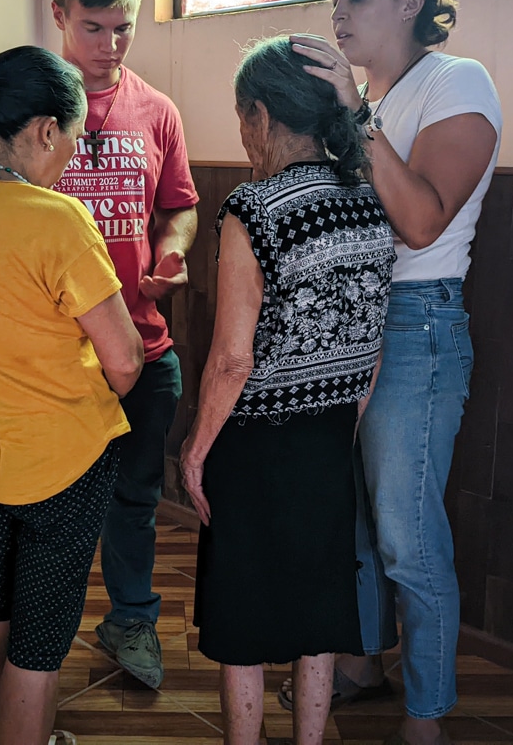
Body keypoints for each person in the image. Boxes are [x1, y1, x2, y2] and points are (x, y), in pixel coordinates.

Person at [289, 0, 503, 745]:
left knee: (409, 535)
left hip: (418, 322)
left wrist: (353, 115)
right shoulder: (368, 105)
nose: (339, 13)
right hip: (351, 320)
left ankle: (427, 719)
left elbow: (418, 222)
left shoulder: (458, 82)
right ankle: (360, 663)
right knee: (352, 520)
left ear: (412, 3)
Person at [0, 45, 145, 745]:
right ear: (44, 130)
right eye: (72, 142)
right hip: (61, 464)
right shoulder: (54, 219)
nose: (71, 160)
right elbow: (126, 361)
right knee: (39, 646)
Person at [179, 36, 395, 745]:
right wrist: (346, 429)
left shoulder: (256, 208)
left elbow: (232, 361)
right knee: (319, 615)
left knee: (242, 616)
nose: (244, 133)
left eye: (242, 117)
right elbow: (370, 347)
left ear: (263, 117)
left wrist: (196, 450)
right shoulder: (368, 200)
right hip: (330, 436)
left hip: (255, 443)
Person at [50, 0, 200, 689]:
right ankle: (34, 634)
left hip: (141, 345)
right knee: (53, 506)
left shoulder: (158, 111)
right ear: (58, 15)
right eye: (92, 27)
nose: (109, 45)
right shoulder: (28, 105)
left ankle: (131, 620)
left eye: (124, 27)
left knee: (135, 498)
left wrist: (172, 250)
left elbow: (180, 208)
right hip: (51, 354)